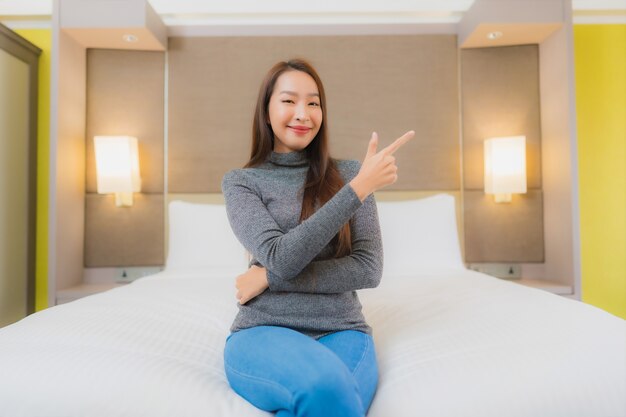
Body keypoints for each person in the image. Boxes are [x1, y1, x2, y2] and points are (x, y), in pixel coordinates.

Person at [222, 58, 414, 417]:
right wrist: (357, 191)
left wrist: (267, 278)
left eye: (313, 103)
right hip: (263, 330)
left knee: (332, 396)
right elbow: (282, 256)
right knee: (327, 388)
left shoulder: (353, 173)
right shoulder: (241, 182)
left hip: (342, 329)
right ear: (266, 111)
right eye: (289, 100)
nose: (303, 113)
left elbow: (368, 269)